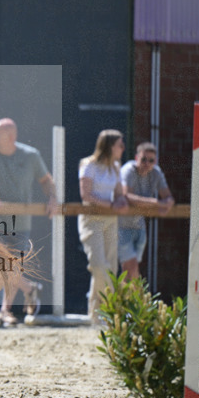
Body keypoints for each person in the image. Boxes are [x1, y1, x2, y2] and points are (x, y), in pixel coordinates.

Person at [0, 118, 56, 325]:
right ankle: (29, 289)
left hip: (21, 224)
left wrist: (52, 199)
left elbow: (46, 180)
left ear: (11, 137)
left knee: (10, 267)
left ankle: (5, 311)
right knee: (1, 264)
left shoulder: (30, 155)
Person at [78, 129, 129, 325]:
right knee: (99, 266)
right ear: (109, 146)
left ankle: (97, 315)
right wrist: (112, 205)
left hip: (111, 221)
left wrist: (122, 201)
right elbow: (86, 196)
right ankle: (108, 308)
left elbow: (118, 194)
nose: (123, 149)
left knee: (111, 268)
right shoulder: (88, 164)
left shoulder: (116, 167)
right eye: (120, 145)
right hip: (92, 220)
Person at [118, 142, 174, 280]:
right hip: (120, 225)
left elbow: (168, 197)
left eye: (151, 160)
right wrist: (156, 203)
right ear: (137, 158)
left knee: (130, 269)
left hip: (139, 225)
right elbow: (126, 196)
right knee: (130, 266)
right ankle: (139, 298)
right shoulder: (128, 170)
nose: (147, 163)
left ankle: (125, 299)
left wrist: (166, 205)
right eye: (144, 159)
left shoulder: (156, 172)